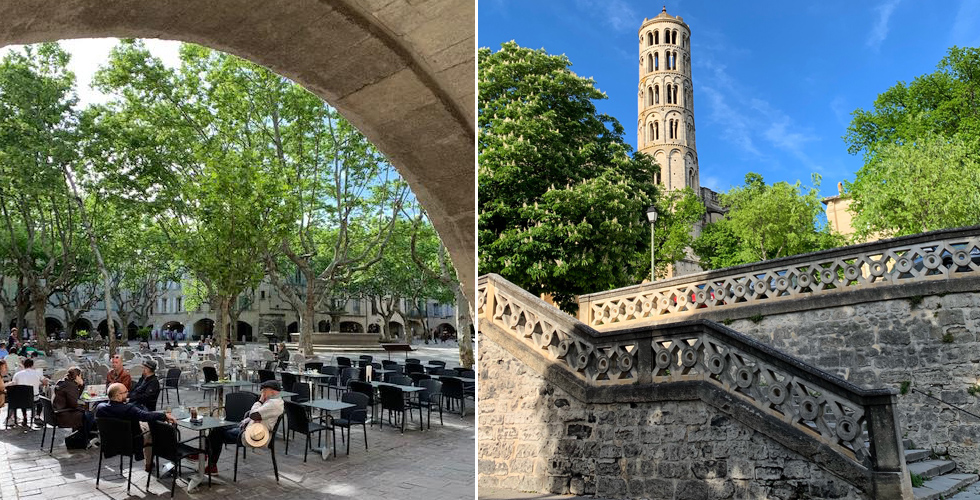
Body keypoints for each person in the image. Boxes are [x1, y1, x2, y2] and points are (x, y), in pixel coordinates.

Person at [204, 380, 284, 474]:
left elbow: (253, 414)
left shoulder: (273, 404)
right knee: (217, 428)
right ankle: (206, 457)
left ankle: (207, 459)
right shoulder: (274, 401)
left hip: (252, 435)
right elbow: (255, 415)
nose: (262, 393)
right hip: (249, 427)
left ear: (272, 391)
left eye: (264, 391)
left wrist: (260, 401)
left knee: (216, 434)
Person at [96, 382, 176, 470]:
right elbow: (145, 416)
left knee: (146, 424)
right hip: (131, 442)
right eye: (125, 392)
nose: (128, 394)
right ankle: (150, 463)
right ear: (118, 396)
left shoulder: (100, 407)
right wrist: (165, 416)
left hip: (111, 442)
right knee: (153, 431)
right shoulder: (128, 409)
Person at [52, 367, 96, 440]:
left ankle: (82, 437)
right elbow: (73, 404)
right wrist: (82, 407)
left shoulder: (62, 382)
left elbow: (74, 397)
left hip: (57, 413)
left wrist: (81, 385)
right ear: (77, 376)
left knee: (86, 412)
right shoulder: (71, 386)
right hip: (63, 416)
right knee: (89, 415)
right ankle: (84, 438)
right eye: (81, 376)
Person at [9, 357, 49, 426]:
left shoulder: (17, 374)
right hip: (33, 398)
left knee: (23, 399)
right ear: (32, 365)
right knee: (40, 402)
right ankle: (37, 416)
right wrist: (40, 382)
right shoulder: (37, 373)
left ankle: (25, 417)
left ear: (24, 365)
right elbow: (45, 383)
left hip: (20, 399)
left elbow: (13, 385)